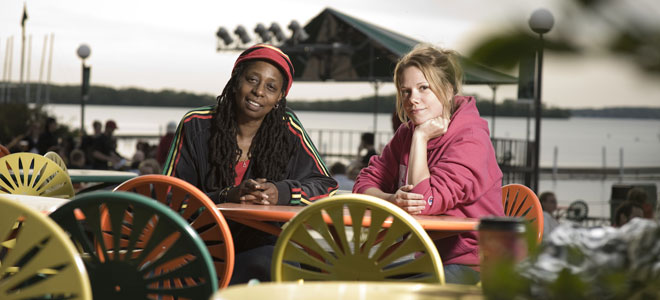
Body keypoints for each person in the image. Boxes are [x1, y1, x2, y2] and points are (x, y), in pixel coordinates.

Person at [162, 44, 338, 284]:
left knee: (321, 265)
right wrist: (227, 195)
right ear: (235, 82)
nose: (258, 91)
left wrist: (282, 192)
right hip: (201, 249)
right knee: (275, 261)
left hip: (261, 243)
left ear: (279, 98)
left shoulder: (288, 129)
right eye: (252, 79)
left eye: (271, 87)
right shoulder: (196, 125)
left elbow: (325, 185)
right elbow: (170, 200)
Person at [352, 44, 504, 284]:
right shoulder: (406, 133)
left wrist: (421, 139)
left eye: (424, 88)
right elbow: (363, 183)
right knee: (353, 277)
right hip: (427, 256)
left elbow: (422, 205)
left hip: (474, 264)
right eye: (406, 91)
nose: (413, 99)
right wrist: (391, 199)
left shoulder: (471, 140)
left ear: (447, 88)